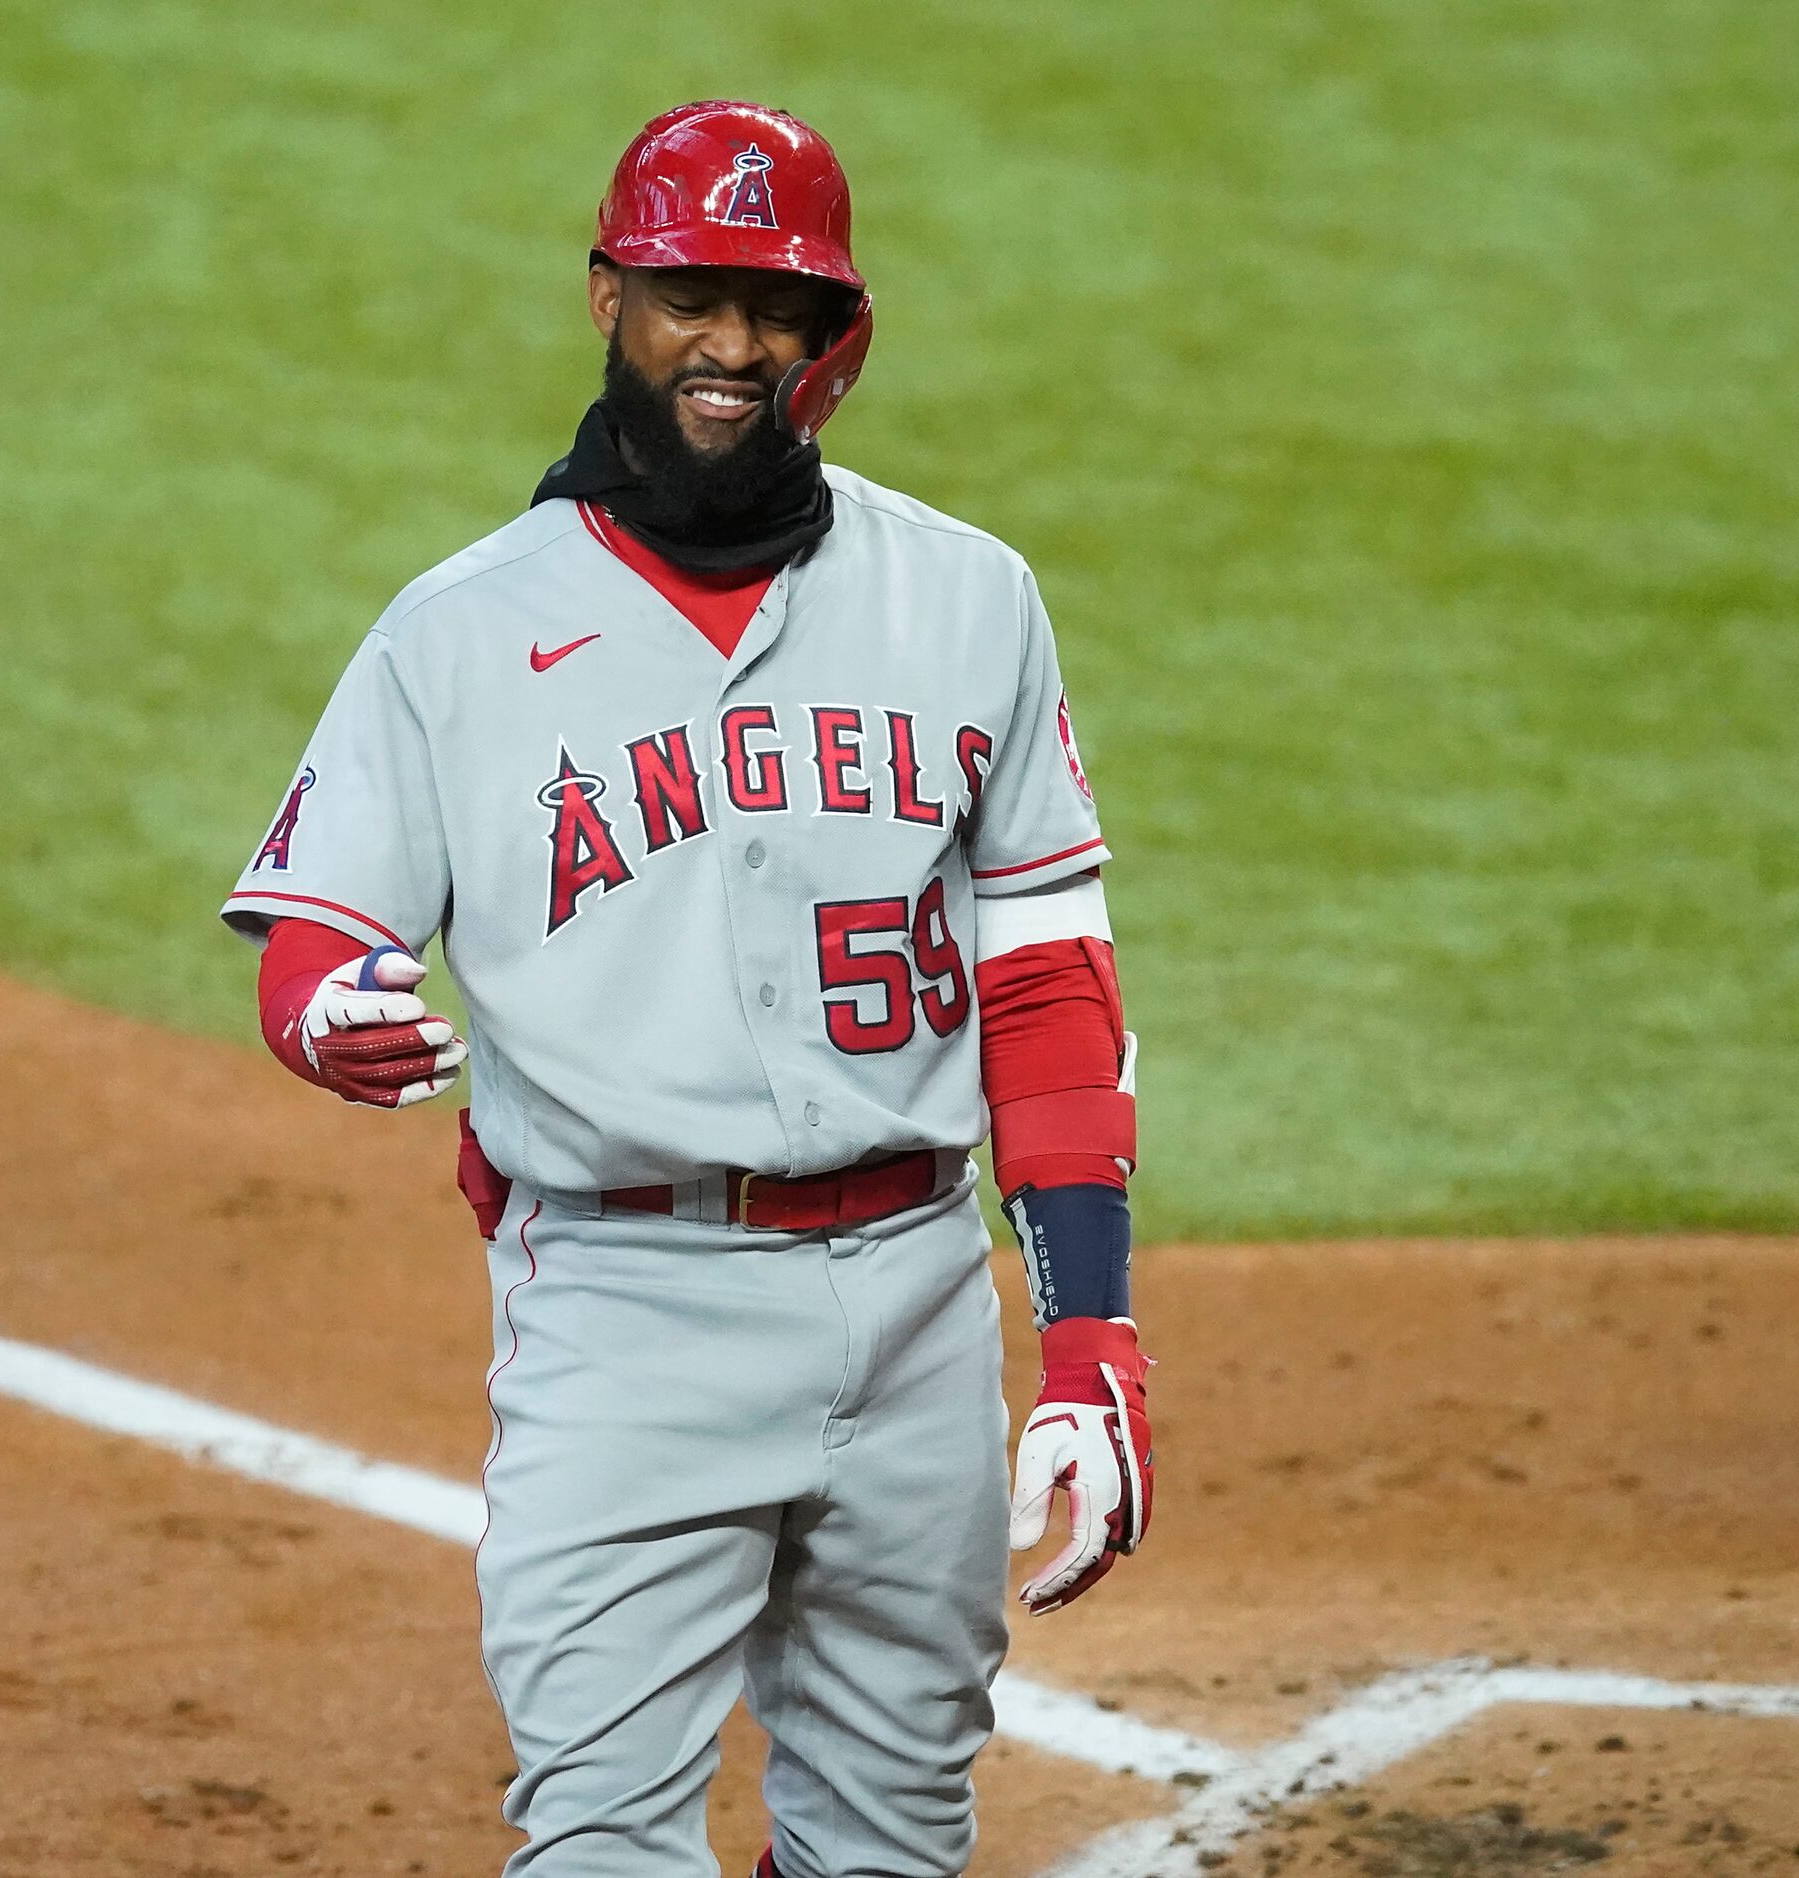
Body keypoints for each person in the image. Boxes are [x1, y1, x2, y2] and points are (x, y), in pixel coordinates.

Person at [222, 99, 1150, 1878]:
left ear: (831, 337)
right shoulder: (460, 631)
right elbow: (319, 927)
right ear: (607, 301)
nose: (729, 343)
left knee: (891, 1834)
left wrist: (1092, 1339)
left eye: (770, 303)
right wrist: (333, 1007)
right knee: (599, 1840)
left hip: (915, 1299)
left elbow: (1046, 982)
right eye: (685, 297)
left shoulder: (969, 598)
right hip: (624, 1300)